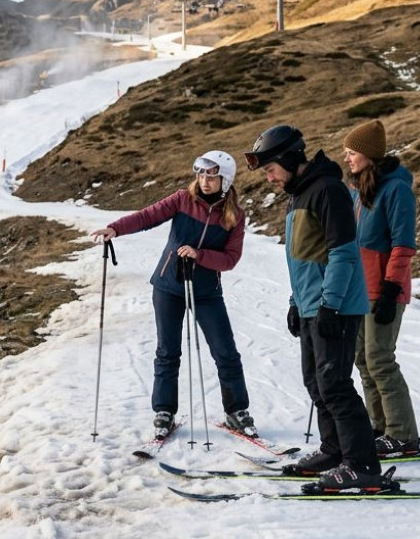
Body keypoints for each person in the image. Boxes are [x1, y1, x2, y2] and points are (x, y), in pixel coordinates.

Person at [244, 125, 384, 490]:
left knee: (335, 384)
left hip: (334, 306)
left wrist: (330, 306)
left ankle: (362, 465)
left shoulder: (328, 191)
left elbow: (343, 253)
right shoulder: (299, 195)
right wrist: (296, 302)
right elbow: (302, 259)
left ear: (290, 159)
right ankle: (335, 450)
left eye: (271, 168)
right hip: (311, 305)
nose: (269, 177)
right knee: (317, 384)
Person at [89, 150, 254, 437]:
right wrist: (115, 229)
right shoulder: (182, 199)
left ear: (225, 180)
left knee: (225, 352)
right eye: (201, 174)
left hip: (206, 292)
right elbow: (147, 216)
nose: (204, 181)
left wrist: (199, 255)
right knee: (168, 352)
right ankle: (164, 412)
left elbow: (230, 259)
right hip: (169, 287)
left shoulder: (234, 217)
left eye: (212, 176)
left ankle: (236, 411)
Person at [343, 119, 420, 456]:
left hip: (385, 291)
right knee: (363, 359)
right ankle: (380, 428)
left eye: (352, 153)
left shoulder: (396, 190)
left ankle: (403, 434)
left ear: (368, 154)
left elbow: (402, 244)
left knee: (380, 359)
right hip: (361, 290)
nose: (347, 158)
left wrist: (392, 289)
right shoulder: (363, 190)